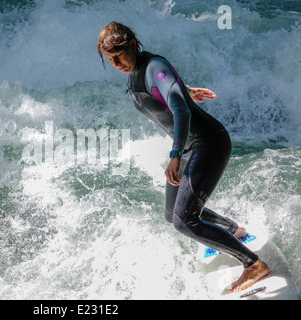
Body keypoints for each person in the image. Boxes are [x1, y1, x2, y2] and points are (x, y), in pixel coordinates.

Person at [97, 21, 269, 293]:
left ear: (132, 44)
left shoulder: (154, 66)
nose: (117, 64)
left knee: (184, 221)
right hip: (191, 146)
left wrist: (174, 154)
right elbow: (168, 92)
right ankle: (234, 230)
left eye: (119, 56)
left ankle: (253, 265)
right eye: (110, 60)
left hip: (207, 143)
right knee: (172, 213)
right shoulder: (135, 73)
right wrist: (187, 92)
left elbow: (181, 112)